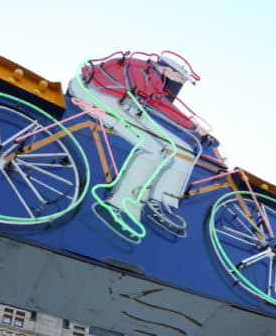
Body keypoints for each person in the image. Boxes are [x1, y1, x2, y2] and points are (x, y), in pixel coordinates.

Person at [68, 50, 214, 240]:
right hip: (94, 93)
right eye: (179, 77)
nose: (178, 82)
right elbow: (159, 104)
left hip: (104, 93)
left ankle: (137, 206)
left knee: (162, 147)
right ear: (169, 70)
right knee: (153, 149)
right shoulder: (146, 72)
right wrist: (193, 127)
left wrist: (190, 127)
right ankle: (115, 206)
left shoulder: (148, 72)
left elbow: (154, 104)